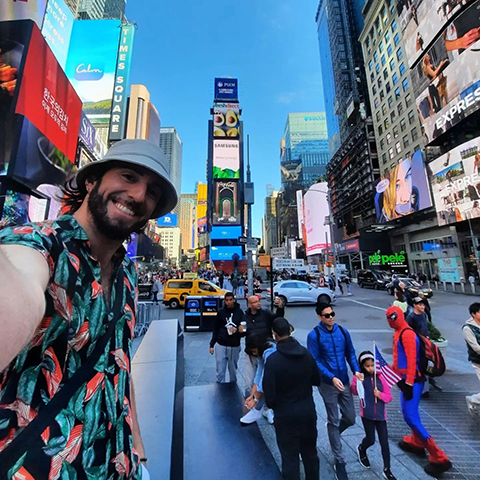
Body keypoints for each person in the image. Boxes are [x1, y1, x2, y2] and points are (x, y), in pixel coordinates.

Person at [0, 139, 178, 478]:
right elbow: (20, 283)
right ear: (91, 181)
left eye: (152, 192)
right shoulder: (38, 245)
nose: (139, 195)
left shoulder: (127, 273)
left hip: (119, 465)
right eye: (128, 176)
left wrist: (137, 447)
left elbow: (117, 361)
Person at [385, 306, 452, 476]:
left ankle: (438, 456)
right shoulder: (399, 333)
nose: (391, 320)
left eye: (394, 317)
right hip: (407, 381)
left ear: (400, 317)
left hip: (413, 381)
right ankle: (416, 442)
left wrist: (407, 383)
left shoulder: (406, 334)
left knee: (411, 417)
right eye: (389, 317)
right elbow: (398, 359)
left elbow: (412, 360)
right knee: (409, 414)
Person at [307, 302, 363, 480]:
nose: (331, 318)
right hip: (328, 384)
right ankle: (340, 461)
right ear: (319, 317)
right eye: (326, 315)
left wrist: (356, 370)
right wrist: (331, 377)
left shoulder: (343, 332)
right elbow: (314, 361)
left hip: (344, 381)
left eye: (332, 314)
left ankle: (334, 433)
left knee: (351, 418)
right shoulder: (314, 335)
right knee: (333, 418)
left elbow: (350, 353)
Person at [263, 318, 321, 480]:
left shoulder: (273, 361)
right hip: (307, 412)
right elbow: (316, 380)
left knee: (289, 458)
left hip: (286, 415)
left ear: (274, 334)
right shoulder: (306, 354)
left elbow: (270, 397)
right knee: (310, 454)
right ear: (290, 330)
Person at [351, 351, 397, 480]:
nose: (370, 368)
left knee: (384, 443)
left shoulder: (380, 378)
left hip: (381, 416)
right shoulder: (359, 377)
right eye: (367, 366)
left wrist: (380, 395)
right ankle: (362, 448)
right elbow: (354, 392)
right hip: (367, 414)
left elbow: (389, 397)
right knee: (370, 439)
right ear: (362, 366)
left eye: (372, 365)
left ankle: (387, 469)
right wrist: (357, 381)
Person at [240, 295, 285, 398]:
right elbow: (242, 334)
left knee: (265, 380)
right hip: (251, 352)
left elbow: (278, 319)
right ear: (250, 305)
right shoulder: (245, 317)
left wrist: (280, 308)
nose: (258, 303)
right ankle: (250, 402)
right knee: (249, 381)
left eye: (259, 301)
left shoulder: (266, 314)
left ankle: (266, 405)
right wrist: (239, 331)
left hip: (265, 351)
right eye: (255, 302)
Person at [240, 334, 277, 425]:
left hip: (286, 377)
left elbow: (265, 377)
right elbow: (259, 374)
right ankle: (257, 411)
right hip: (276, 375)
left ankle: (258, 410)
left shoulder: (270, 352)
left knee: (266, 388)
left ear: (259, 347)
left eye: (254, 351)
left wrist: (255, 400)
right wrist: (252, 395)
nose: (253, 354)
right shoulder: (262, 352)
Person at [209, 292, 244, 383]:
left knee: (233, 370)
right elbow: (216, 328)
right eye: (226, 300)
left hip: (234, 344)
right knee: (220, 369)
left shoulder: (239, 312)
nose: (228, 302)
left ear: (234, 300)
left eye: (230, 300)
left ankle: (233, 388)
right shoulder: (221, 312)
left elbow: (243, 330)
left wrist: (238, 331)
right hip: (221, 343)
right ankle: (220, 388)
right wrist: (212, 344)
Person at [463, 303, 480, 416]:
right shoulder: (468, 328)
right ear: (473, 314)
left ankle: (473, 400)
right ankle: (473, 399)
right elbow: (476, 348)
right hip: (478, 362)